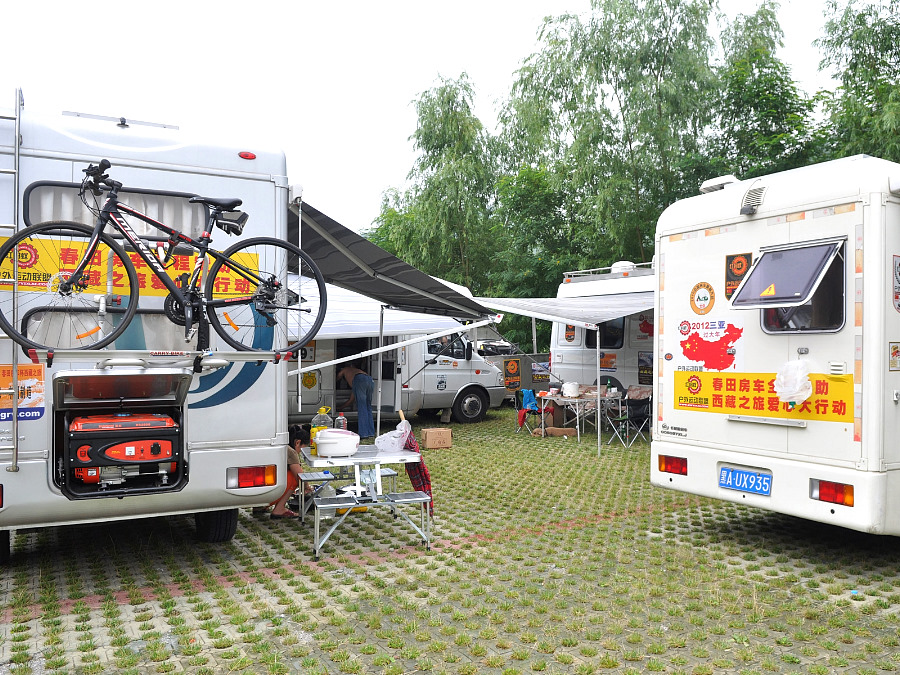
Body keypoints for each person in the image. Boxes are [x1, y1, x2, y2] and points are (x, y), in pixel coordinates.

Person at [268, 425, 310, 519]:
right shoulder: (290, 451)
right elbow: (299, 476)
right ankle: (279, 509)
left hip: (258, 493)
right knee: (294, 478)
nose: (300, 452)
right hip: (269, 493)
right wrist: (307, 487)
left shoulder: (278, 444)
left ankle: (259, 507)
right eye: (303, 448)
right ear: (297, 442)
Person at [337, 362, 376, 439]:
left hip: (359, 380)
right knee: (368, 407)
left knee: (362, 408)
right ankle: (371, 433)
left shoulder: (345, 369)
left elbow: (338, 376)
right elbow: (351, 400)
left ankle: (363, 434)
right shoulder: (357, 372)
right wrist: (340, 408)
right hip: (370, 380)